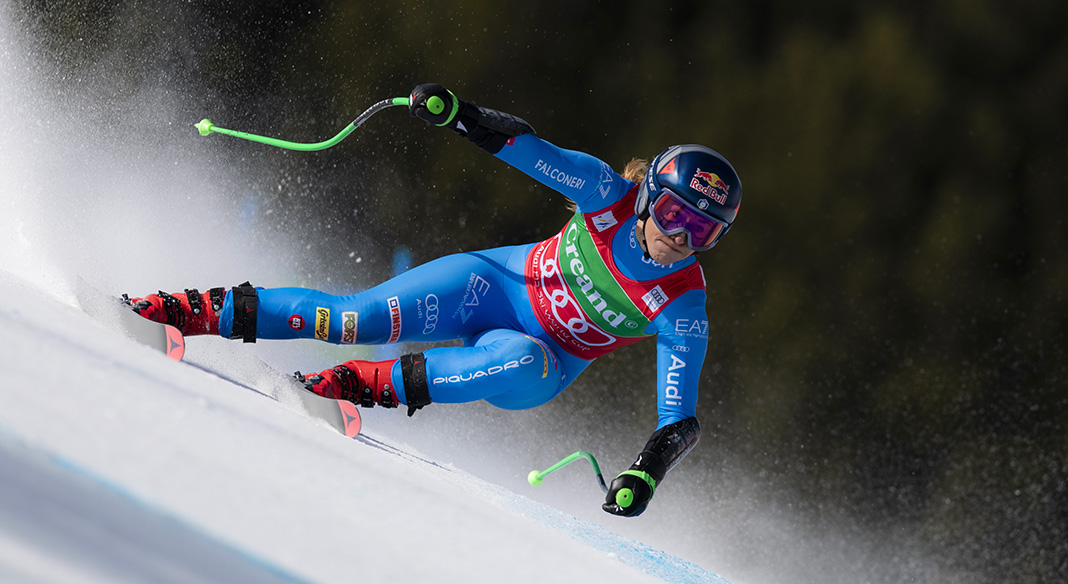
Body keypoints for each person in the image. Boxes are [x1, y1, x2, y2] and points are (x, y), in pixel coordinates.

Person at [128, 83, 742, 517]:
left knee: (522, 358)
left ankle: (345, 385)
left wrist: (645, 473)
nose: (679, 238)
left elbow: (678, 420)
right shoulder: (606, 192)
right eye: (673, 214)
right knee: (355, 317)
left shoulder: (683, 304)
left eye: (703, 232)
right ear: (647, 196)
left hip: (540, 363)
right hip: (491, 288)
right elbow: (523, 147)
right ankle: (178, 311)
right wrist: (455, 113)